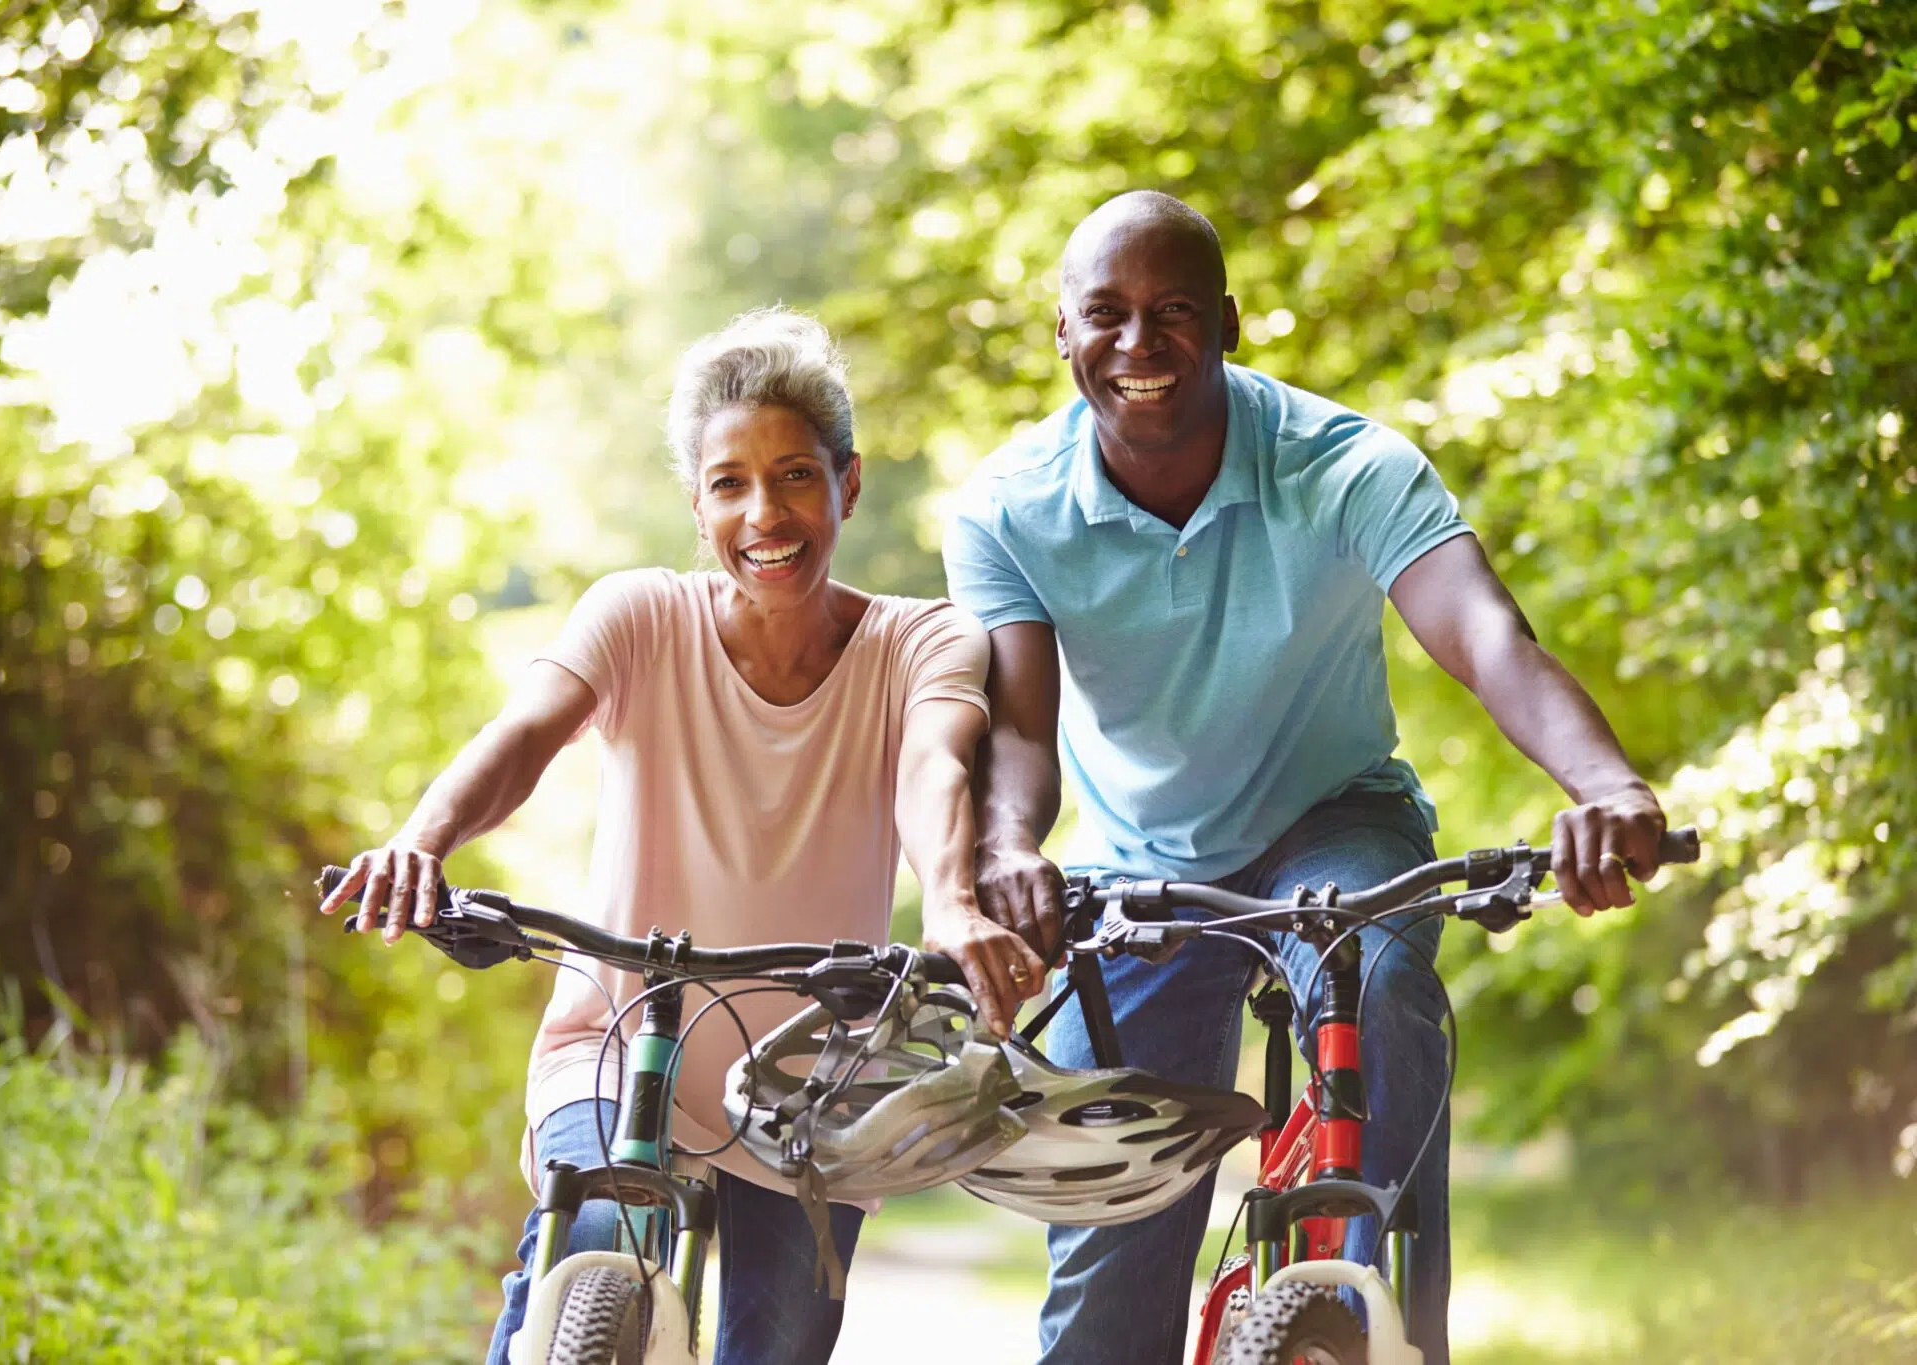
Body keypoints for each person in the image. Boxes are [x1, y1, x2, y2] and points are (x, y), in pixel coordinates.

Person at [943, 191, 1669, 1365]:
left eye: (1172, 311)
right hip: (1139, 861)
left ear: (1227, 323)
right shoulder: (1004, 510)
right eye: (1106, 316)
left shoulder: (1343, 465)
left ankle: (1373, 1301)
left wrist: (1607, 785)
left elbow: (1488, 639)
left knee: (1375, 976)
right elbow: (1019, 732)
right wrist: (1010, 848)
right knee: (1107, 1245)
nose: (1139, 345)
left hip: (1332, 822)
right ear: (1062, 339)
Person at [320, 307, 1046, 1365]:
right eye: (729, 483)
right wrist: (422, 839)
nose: (766, 512)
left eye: (796, 475)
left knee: (781, 1340)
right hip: (616, 1043)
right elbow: (521, 737)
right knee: (593, 1246)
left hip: (813, 1085)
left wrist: (949, 900)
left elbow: (933, 766)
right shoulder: (637, 617)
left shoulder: (920, 639)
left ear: (847, 485)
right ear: (697, 505)